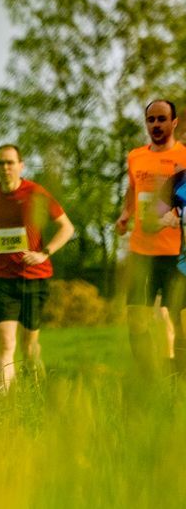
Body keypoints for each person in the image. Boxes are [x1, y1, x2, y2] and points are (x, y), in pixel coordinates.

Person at [0, 143, 75, 391]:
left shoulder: (36, 193)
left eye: (10, 162)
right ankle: (6, 402)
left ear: (21, 166)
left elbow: (67, 227)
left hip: (34, 278)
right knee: (6, 344)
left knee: (29, 348)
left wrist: (43, 253)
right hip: (1, 277)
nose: (5, 168)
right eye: (1, 163)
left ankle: (35, 392)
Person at [115, 98, 186, 376]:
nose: (156, 125)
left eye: (161, 119)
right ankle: (147, 376)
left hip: (176, 254)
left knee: (179, 319)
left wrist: (176, 216)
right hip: (141, 253)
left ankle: (179, 378)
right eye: (151, 120)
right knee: (136, 318)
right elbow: (133, 189)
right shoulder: (135, 156)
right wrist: (125, 214)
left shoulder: (184, 157)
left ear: (174, 122)